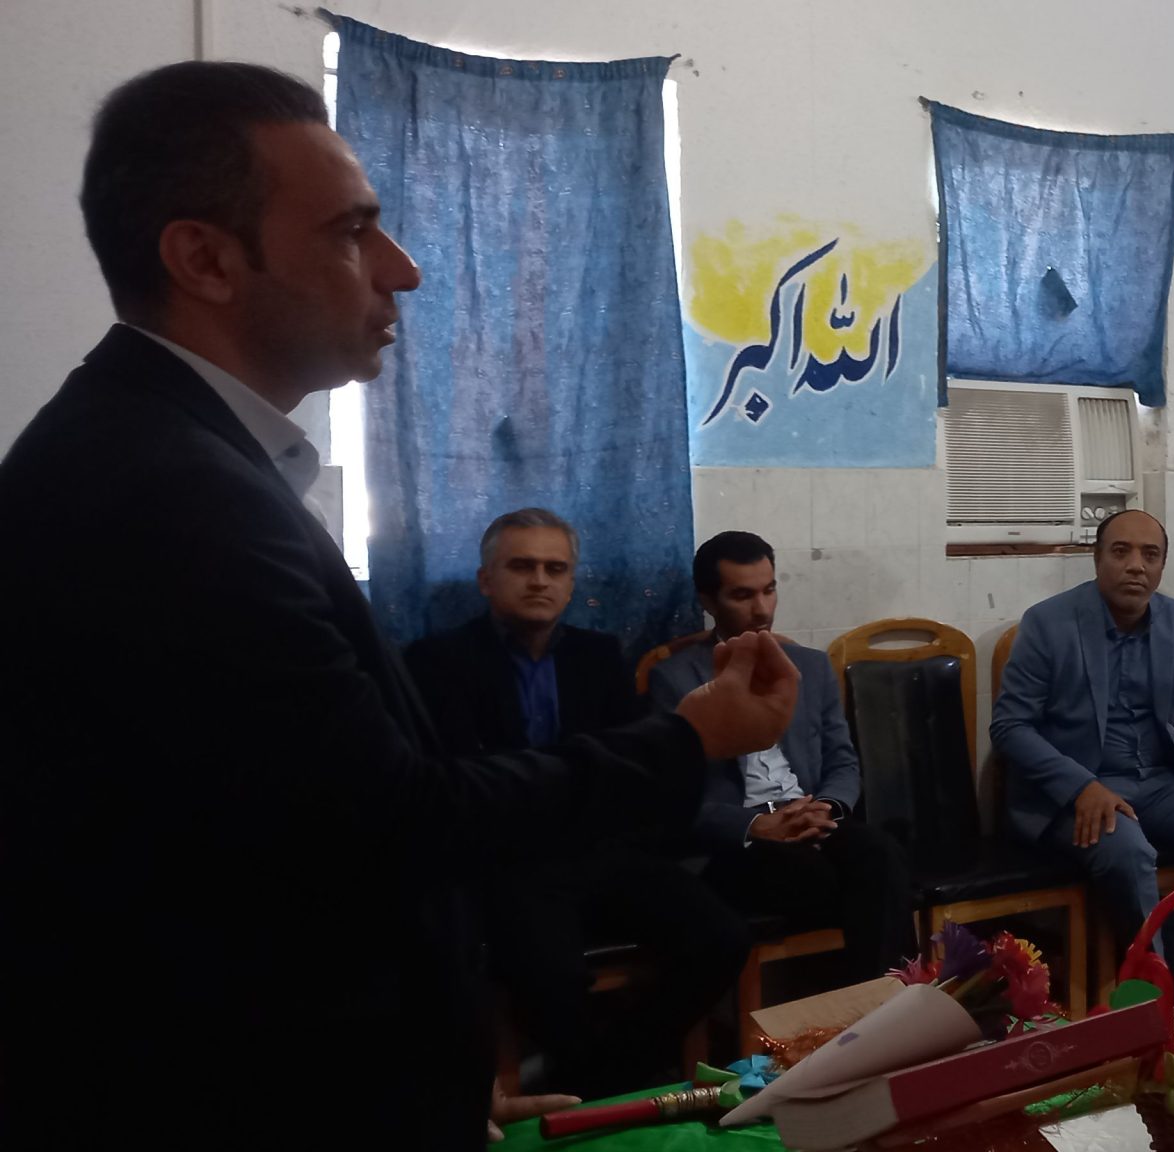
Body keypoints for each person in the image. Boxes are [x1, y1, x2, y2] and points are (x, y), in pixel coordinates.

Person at [0, 62, 799, 1149]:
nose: (405, 270)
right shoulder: (161, 491)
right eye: (351, 231)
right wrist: (689, 737)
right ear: (205, 258)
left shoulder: (184, 457)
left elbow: (277, 840)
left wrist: (422, 1078)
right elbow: (393, 822)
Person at [406, 510, 747, 1098]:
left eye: (555, 568)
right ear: (486, 579)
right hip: (509, 862)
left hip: (598, 850)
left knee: (723, 938)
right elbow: (462, 783)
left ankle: (598, 1080)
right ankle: (601, 1084)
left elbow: (632, 767)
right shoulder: (437, 663)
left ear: (570, 583)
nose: (540, 580)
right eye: (522, 566)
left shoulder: (598, 656)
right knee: (550, 977)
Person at [993, 509, 1174, 961]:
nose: (1135, 566)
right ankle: (1152, 980)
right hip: (1076, 791)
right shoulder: (1049, 623)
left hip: (1157, 781)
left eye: (1150, 555)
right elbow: (1010, 727)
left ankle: (1158, 956)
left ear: (1162, 565)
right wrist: (1081, 786)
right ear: (1098, 559)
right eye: (1121, 552)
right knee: (1128, 852)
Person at [648, 532, 915, 979]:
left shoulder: (808, 666)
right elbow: (671, 797)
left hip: (810, 814)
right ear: (708, 601)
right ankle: (867, 1000)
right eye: (742, 595)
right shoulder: (674, 679)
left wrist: (825, 807)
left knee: (882, 854)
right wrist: (754, 825)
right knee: (824, 877)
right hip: (740, 837)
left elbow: (843, 760)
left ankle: (892, 1000)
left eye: (769, 590)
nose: (762, 609)